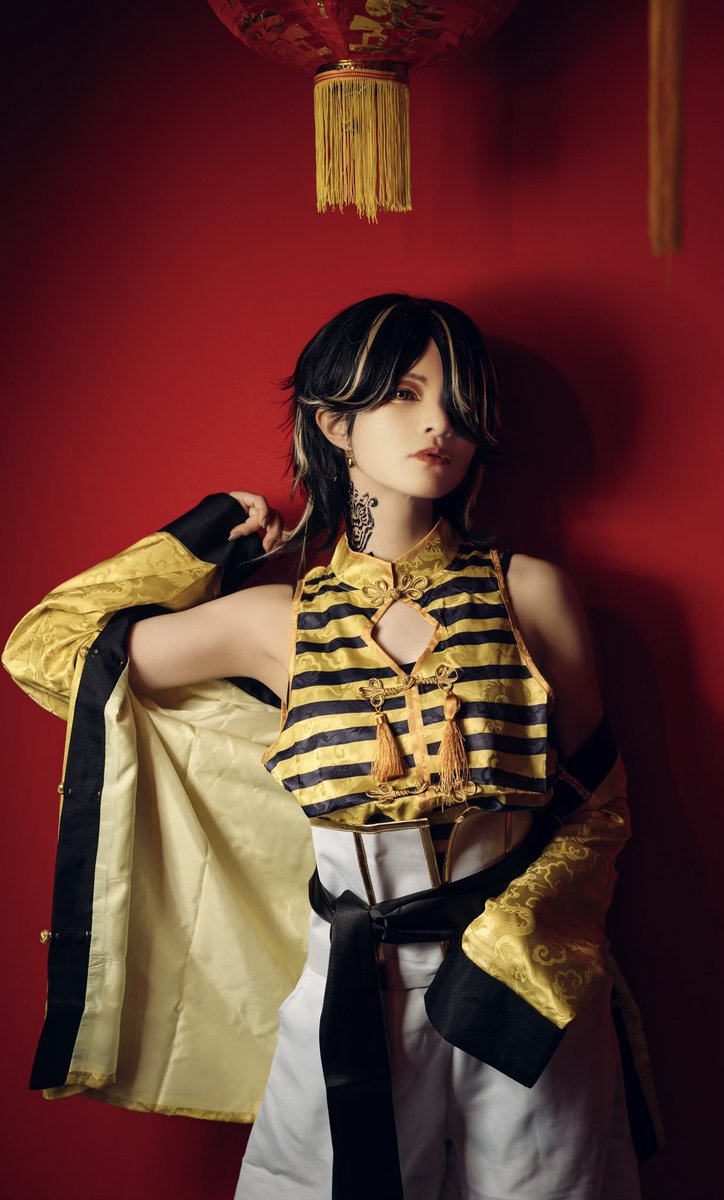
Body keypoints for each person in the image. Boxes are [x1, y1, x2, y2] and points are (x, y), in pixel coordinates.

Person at [3, 294, 660, 1199]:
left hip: (522, 984)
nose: (438, 423)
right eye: (403, 394)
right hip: (346, 985)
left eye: (459, 400)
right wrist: (200, 545)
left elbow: (599, 803)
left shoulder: (530, 593)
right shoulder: (278, 619)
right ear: (333, 423)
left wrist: (521, 943)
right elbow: (47, 654)